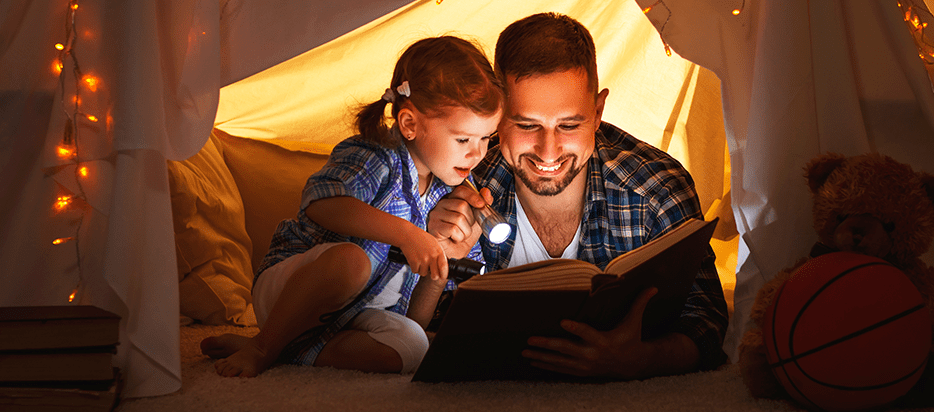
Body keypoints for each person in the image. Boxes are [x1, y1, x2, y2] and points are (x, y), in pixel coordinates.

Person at [427, 13, 729, 379]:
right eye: (527, 125)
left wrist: (644, 359)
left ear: (598, 111)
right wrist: (442, 259)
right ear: (496, 113)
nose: (548, 151)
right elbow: (406, 325)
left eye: (569, 125)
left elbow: (707, 320)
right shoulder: (461, 180)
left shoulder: (655, 187)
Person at [200, 35, 503, 377]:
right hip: (292, 293)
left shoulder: (453, 193)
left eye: (486, 138)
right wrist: (407, 234)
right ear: (409, 124)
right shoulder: (376, 154)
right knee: (352, 262)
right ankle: (262, 346)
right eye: (463, 139)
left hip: (355, 314)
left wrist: (442, 258)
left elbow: (414, 319)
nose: (477, 153)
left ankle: (287, 348)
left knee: (414, 346)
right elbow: (320, 203)